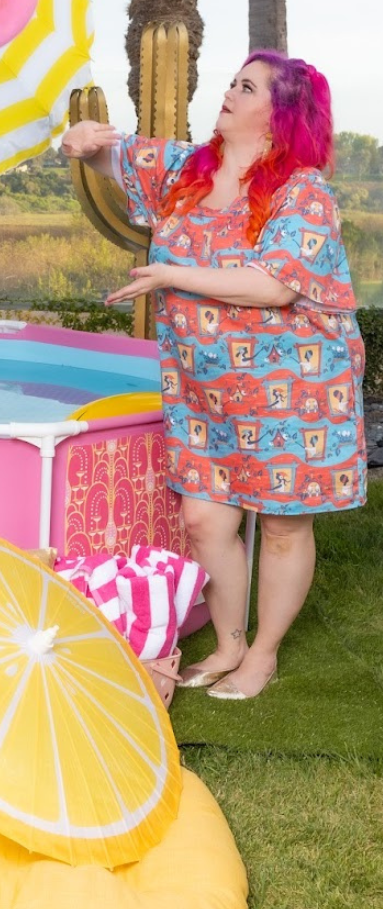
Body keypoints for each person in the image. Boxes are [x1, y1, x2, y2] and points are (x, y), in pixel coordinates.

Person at [60, 51, 366, 701]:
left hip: (295, 389)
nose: (229, 91)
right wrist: (84, 144)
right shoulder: (184, 169)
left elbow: (271, 286)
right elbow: (110, 159)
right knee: (204, 521)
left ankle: (263, 653)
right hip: (205, 389)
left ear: (280, 116)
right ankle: (227, 643)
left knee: (282, 524)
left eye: (246, 86)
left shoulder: (302, 193)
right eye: (233, 80)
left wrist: (171, 275)